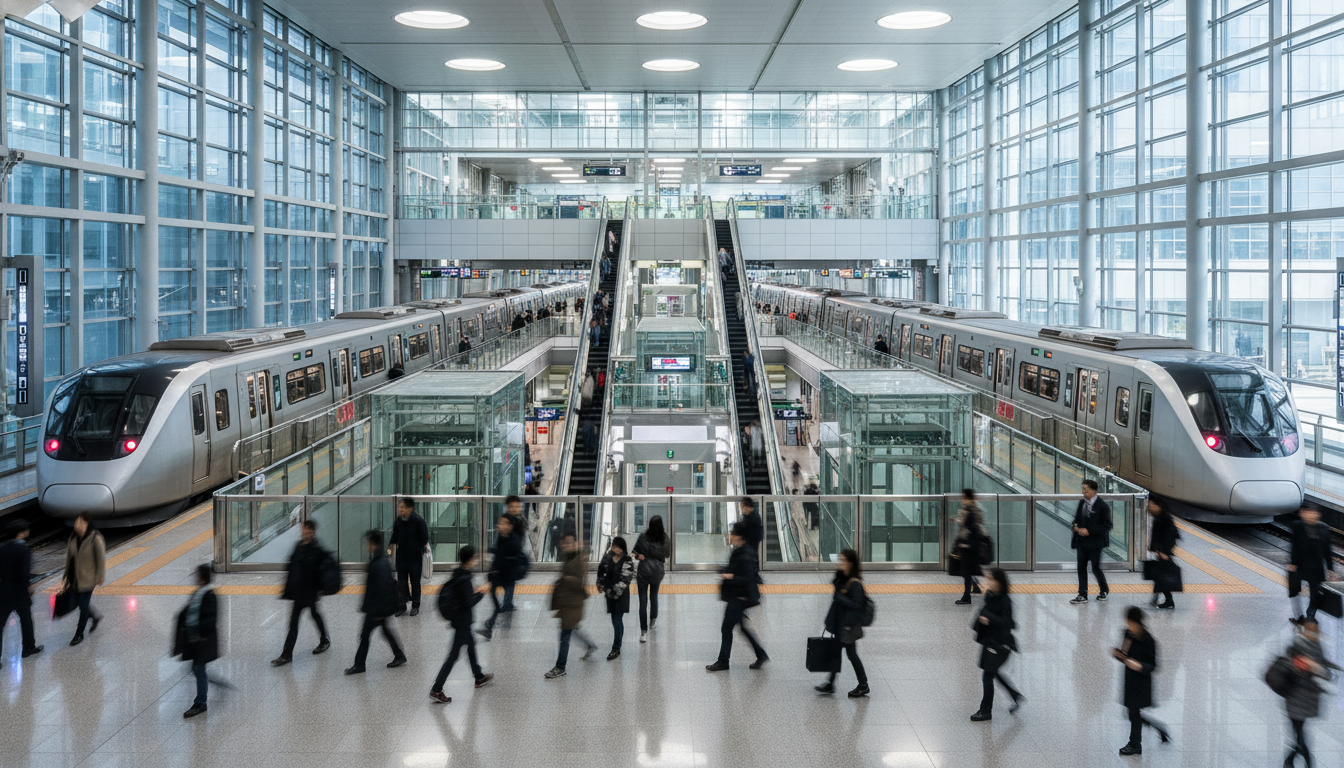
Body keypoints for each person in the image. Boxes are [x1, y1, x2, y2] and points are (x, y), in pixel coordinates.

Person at [429, 546, 493, 703]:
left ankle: (478, 676)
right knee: (453, 656)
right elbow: (468, 602)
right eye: (475, 558)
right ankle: (437, 688)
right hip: (462, 622)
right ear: (470, 560)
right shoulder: (465, 579)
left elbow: (463, 597)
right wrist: (482, 592)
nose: (477, 560)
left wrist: (474, 592)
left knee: (471, 648)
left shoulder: (458, 574)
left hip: (461, 620)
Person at [707, 522, 768, 672]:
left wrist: (730, 576)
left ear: (739, 536)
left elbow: (748, 578)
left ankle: (723, 661)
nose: (729, 536)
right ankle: (761, 655)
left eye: (732, 533)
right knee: (741, 627)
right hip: (739, 595)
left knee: (726, 628)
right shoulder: (740, 550)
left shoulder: (745, 554)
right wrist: (724, 571)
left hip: (740, 597)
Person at [272, 520, 333, 665]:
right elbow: (292, 566)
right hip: (300, 593)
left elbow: (323, 569)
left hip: (309, 592)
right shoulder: (298, 546)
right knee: (308, 617)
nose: (304, 533)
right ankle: (322, 640)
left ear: (313, 532)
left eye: (307, 531)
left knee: (304, 618)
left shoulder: (317, 549)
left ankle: (288, 654)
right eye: (303, 531)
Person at [346, 530, 407, 675]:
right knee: (385, 631)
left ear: (374, 544)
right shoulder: (383, 560)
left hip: (376, 609)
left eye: (369, 543)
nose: (367, 545)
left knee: (365, 635)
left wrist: (376, 611)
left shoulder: (377, 564)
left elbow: (380, 588)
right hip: (380, 608)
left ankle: (360, 664)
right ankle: (399, 655)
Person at [1111, 606, 1169, 756]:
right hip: (1130, 680)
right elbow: (1125, 654)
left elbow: (1154, 665)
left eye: (1129, 622)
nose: (1127, 625)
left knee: (1134, 713)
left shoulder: (1149, 640)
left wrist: (1140, 666)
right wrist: (1118, 654)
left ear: (1137, 622)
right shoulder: (1128, 634)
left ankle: (1135, 744)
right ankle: (1159, 729)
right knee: (1131, 714)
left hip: (1141, 683)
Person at [815, 548, 869, 697]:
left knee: (851, 655)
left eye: (844, 560)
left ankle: (863, 684)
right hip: (841, 624)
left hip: (848, 627)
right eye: (840, 560)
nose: (841, 563)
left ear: (851, 563)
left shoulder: (855, 583)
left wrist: (841, 598)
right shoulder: (842, 578)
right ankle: (831, 684)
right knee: (836, 653)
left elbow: (858, 605)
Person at [970, 568, 1023, 720]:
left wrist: (989, 619)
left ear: (999, 582)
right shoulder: (990, 595)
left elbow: (1009, 623)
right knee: (992, 673)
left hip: (999, 644)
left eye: (991, 579)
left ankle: (985, 710)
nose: (987, 582)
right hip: (990, 641)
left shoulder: (1005, 600)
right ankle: (1015, 695)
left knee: (987, 675)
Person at [1283, 618, 1337, 766]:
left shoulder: (1316, 646)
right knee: (1299, 733)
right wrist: (1311, 667)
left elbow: (1324, 671)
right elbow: (1293, 667)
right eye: (1312, 630)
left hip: (1304, 699)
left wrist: (1318, 668)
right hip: (1296, 697)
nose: (1315, 634)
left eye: (1316, 631)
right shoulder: (1299, 645)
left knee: (1299, 733)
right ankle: (1300, 762)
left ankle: (1291, 760)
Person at [546, 533, 598, 678]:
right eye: (564, 543)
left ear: (575, 543)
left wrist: (565, 580)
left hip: (573, 603)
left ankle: (560, 666)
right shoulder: (568, 558)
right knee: (571, 628)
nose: (565, 545)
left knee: (564, 635)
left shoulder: (578, 560)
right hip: (568, 603)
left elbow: (580, 582)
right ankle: (589, 645)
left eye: (569, 543)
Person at [177, 564, 218, 718]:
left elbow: (211, 619)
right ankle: (205, 692)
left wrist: (200, 632)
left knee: (198, 668)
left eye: (197, 575)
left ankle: (201, 703)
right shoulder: (198, 593)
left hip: (203, 640)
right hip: (195, 639)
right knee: (196, 668)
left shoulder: (209, 595)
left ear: (203, 578)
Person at [479, 512, 526, 641]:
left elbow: (507, 560)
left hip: (507, 576)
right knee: (495, 600)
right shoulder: (501, 536)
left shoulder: (514, 541)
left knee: (498, 598)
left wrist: (495, 574)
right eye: (499, 523)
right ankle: (491, 623)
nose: (499, 525)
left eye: (503, 523)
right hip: (500, 574)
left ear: (510, 526)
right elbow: (499, 554)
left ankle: (491, 623)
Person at [0, 520, 42, 663]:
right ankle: (28, 648)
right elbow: (24, 574)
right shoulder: (24, 550)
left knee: (0, 625)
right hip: (20, 594)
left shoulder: (2, 548)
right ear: (21, 532)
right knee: (26, 620)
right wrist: (28, 587)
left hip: (4, 593)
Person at [63, 513, 106, 646]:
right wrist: (65, 576)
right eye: (76, 522)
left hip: (89, 578)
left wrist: (100, 575)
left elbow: (100, 558)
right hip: (75, 578)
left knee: (83, 605)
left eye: (80, 522)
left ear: (87, 523)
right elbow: (69, 559)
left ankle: (79, 634)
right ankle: (94, 617)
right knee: (79, 603)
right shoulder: (73, 538)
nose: (77, 525)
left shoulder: (95, 538)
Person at [1288, 504, 1336, 624]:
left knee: (1315, 594)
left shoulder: (1324, 529)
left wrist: (1330, 569)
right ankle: (1299, 616)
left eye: (1313, 513)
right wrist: (1293, 563)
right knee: (1294, 592)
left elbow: (1327, 551)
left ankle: (1310, 615)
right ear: (1302, 513)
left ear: (1318, 515)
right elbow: (1294, 547)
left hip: (1316, 567)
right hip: (1300, 565)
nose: (1310, 515)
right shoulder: (1297, 527)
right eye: (1307, 512)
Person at [1070, 479, 1112, 604]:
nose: (1083, 492)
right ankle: (1082, 593)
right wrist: (1076, 527)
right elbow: (1076, 520)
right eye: (1083, 489)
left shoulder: (1102, 506)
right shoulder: (1082, 503)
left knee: (1095, 567)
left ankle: (1104, 589)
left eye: (1086, 490)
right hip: (1081, 541)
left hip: (1095, 542)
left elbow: (1107, 525)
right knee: (1081, 567)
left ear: (1094, 491)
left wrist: (1089, 530)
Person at [596, 536, 635, 660]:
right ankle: (618, 644)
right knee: (615, 619)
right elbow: (601, 571)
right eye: (613, 546)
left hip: (620, 595)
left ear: (622, 548)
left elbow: (626, 580)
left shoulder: (627, 561)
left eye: (617, 547)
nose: (614, 549)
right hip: (609, 594)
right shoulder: (607, 557)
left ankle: (616, 647)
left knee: (617, 619)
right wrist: (600, 584)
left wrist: (613, 591)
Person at [391, 497, 430, 616]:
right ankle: (402, 606)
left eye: (402, 507)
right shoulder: (398, 521)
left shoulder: (418, 521)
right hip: (401, 557)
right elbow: (395, 537)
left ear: (410, 508)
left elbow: (424, 538)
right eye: (399, 507)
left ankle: (415, 605)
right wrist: (390, 549)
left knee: (415, 582)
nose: (400, 509)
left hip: (414, 557)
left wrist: (424, 548)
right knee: (401, 582)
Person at [633, 515, 668, 643]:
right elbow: (667, 554)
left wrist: (639, 557)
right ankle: (653, 620)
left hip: (643, 572)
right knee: (654, 596)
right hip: (657, 572)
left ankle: (643, 632)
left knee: (643, 600)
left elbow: (634, 552)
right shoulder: (664, 538)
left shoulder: (643, 537)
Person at [1146, 497, 1179, 610]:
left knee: (1161, 576)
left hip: (1164, 552)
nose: (1151, 507)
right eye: (1150, 505)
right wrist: (1154, 549)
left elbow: (1172, 535)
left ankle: (1166, 600)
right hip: (1159, 551)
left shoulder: (1165, 518)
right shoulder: (1158, 517)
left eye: (1153, 505)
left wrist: (1164, 552)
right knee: (1160, 576)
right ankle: (1165, 599)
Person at [952, 490, 984, 605]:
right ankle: (970, 592)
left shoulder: (970, 510)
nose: (962, 499)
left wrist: (965, 543)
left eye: (963, 497)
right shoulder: (972, 509)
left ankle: (967, 597)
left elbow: (970, 528)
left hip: (969, 546)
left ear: (967, 497)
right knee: (968, 571)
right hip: (971, 546)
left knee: (966, 571)